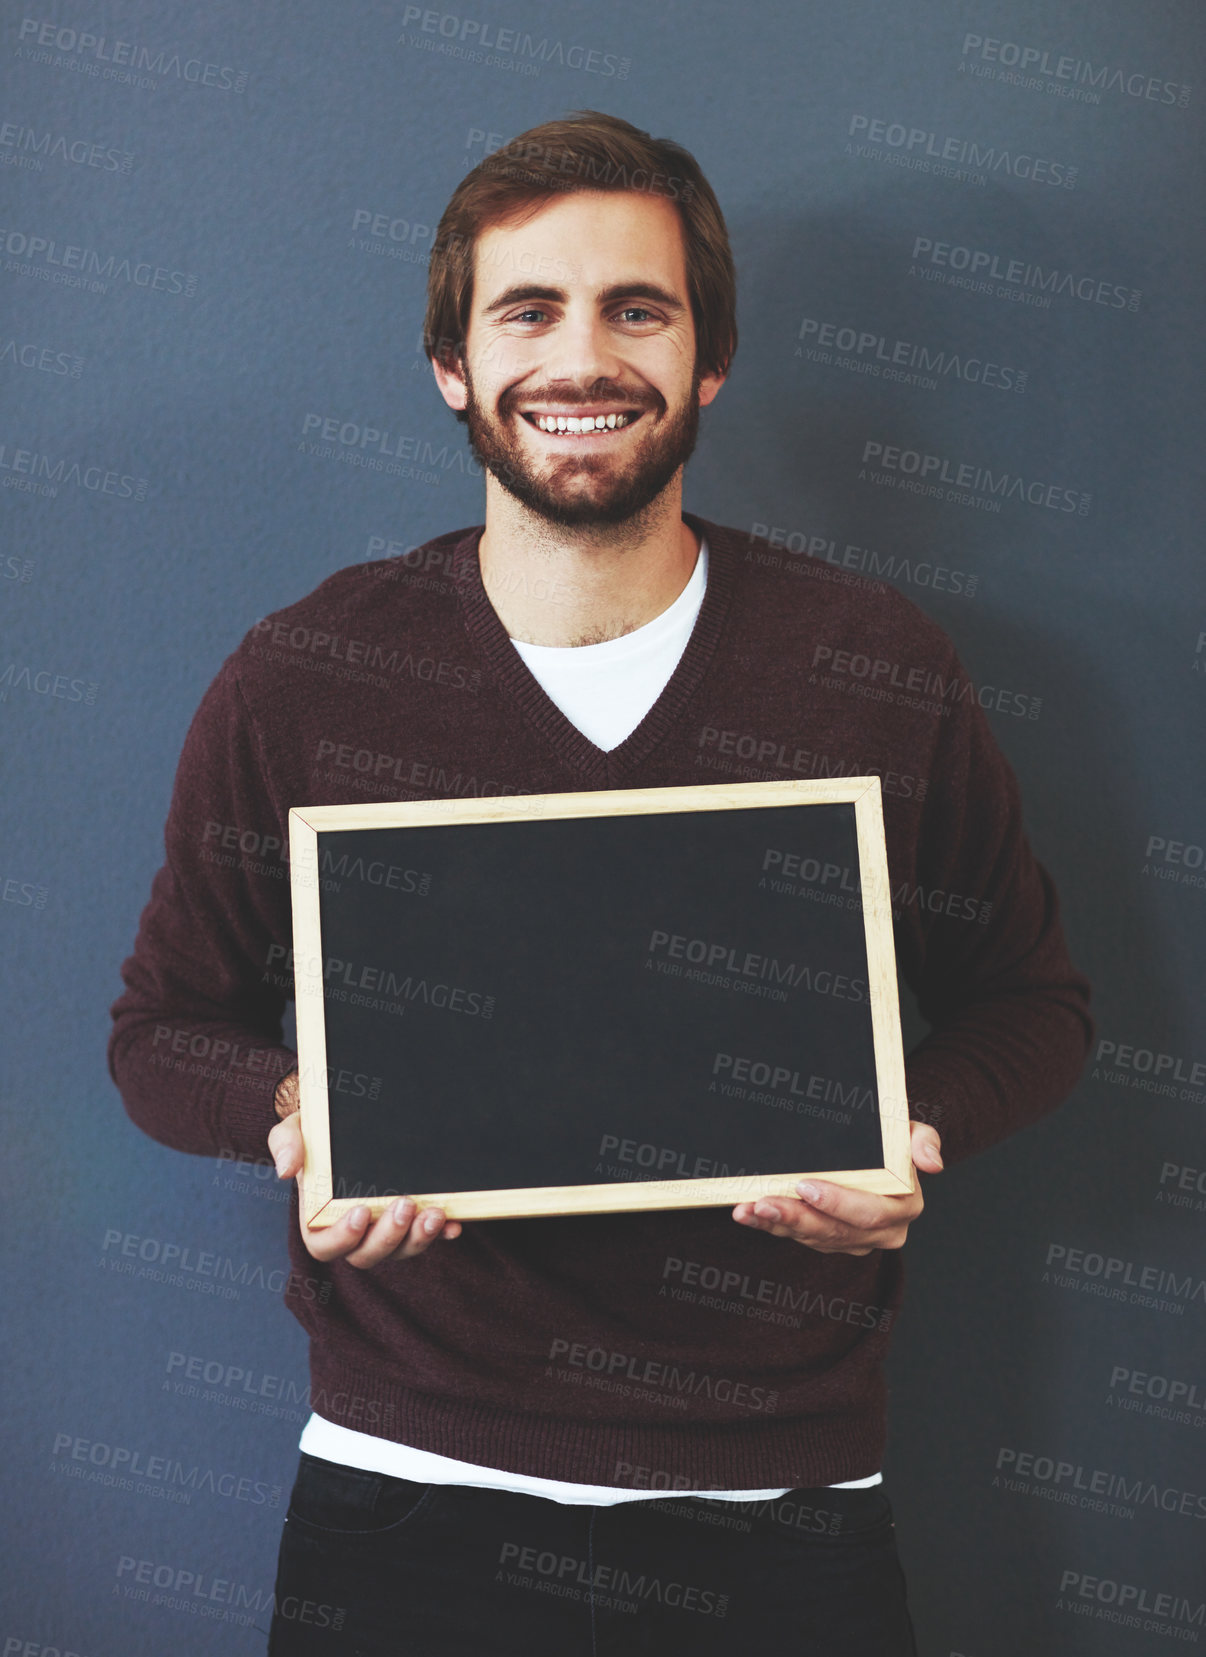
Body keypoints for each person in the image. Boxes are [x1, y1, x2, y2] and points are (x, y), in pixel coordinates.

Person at [109, 110, 1093, 1654]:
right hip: (407, 1489)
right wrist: (291, 1121)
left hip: (786, 1503)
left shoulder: (869, 665)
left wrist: (923, 1130)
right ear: (451, 365)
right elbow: (161, 1032)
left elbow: (1034, 1005)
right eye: (527, 310)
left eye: (637, 309)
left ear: (707, 361)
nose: (582, 359)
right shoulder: (308, 675)